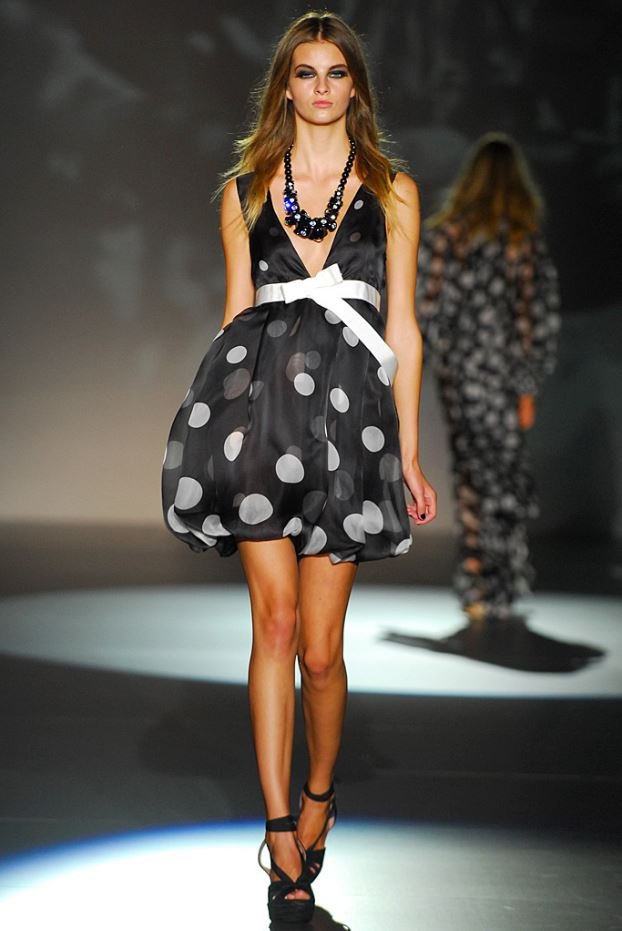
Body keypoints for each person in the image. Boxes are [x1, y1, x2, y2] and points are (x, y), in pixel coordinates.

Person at [162, 11, 436, 923]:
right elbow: (235, 317)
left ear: (356, 86)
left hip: (352, 435)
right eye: (306, 73)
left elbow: (403, 330)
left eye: (336, 73)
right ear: (285, 84)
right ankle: (279, 827)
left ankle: (321, 791)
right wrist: (208, 431)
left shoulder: (393, 191)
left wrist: (409, 452)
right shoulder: (244, 190)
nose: (321, 88)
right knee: (273, 626)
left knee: (322, 652)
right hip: (260, 425)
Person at [417, 132, 560, 627]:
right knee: (504, 471)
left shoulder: (448, 235)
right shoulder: (523, 241)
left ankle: (478, 574)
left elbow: (428, 307)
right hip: (502, 374)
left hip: (461, 373)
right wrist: (528, 384)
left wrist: (432, 361)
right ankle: (500, 576)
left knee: (472, 473)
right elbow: (536, 317)